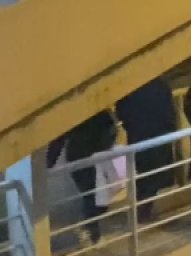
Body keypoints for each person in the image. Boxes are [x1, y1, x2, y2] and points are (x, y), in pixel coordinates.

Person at [46, 111, 116, 244]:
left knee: (91, 195)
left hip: (83, 157)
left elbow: (59, 139)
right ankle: (92, 231)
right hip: (90, 156)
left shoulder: (74, 112)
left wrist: (49, 162)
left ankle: (90, 229)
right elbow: (110, 130)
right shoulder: (98, 111)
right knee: (94, 195)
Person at [115, 78, 177, 221]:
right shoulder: (161, 85)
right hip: (159, 136)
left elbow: (122, 111)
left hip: (138, 137)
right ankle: (143, 210)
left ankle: (141, 210)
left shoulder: (129, 87)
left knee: (143, 175)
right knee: (154, 175)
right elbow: (169, 113)